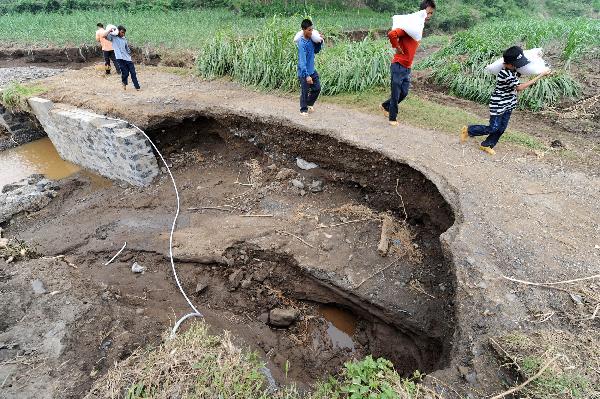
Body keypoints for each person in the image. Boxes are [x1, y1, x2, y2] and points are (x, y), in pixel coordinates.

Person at [460, 46, 551, 155]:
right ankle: (469, 130)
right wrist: (541, 75)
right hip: (498, 105)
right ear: (509, 64)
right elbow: (519, 88)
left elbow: (524, 69)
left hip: (508, 104)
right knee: (493, 128)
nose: (519, 66)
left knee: (501, 128)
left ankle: (487, 145)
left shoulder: (514, 70)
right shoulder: (505, 74)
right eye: (517, 64)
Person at [381, 0, 436, 126]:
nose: (429, 16)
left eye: (431, 14)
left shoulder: (416, 29)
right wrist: (397, 47)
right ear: (422, 12)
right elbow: (391, 34)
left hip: (407, 67)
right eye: (428, 13)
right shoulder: (407, 29)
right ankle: (392, 118)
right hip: (398, 65)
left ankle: (385, 105)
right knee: (395, 93)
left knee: (404, 93)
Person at [297, 19, 323, 116]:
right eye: (309, 30)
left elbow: (316, 51)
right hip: (304, 72)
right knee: (305, 91)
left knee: (317, 88)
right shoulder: (302, 44)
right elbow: (302, 62)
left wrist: (319, 42)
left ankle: (309, 103)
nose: (311, 32)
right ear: (303, 30)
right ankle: (303, 110)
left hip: (312, 70)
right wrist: (307, 76)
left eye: (312, 30)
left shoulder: (311, 40)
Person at [103, 25, 140, 91]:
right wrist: (109, 30)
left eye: (124, 33)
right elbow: (104, 36)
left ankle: (137, 87)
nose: (123, 34)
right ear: (118, 31)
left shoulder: (124, 39)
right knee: (125, 72)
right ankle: (124, 83)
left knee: (133, 72)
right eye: (122, 32)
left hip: (128, 58)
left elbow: (127, 48)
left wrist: (129, 53)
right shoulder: (113, 37)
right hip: (120, 58)